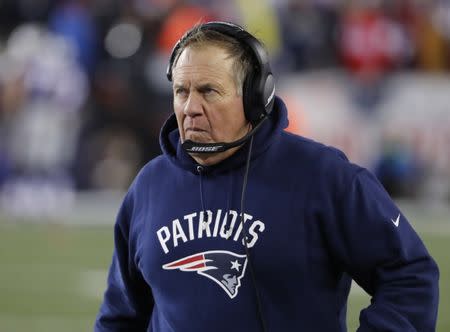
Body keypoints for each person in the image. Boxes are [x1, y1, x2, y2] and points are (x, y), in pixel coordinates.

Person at [94, 22, 439, 332]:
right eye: (182, 91)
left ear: (255, 98)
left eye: (208, 91)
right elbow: (120, 316)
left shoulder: (323, 176)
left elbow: (409, 276)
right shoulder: (150, 186)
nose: (190, 108)